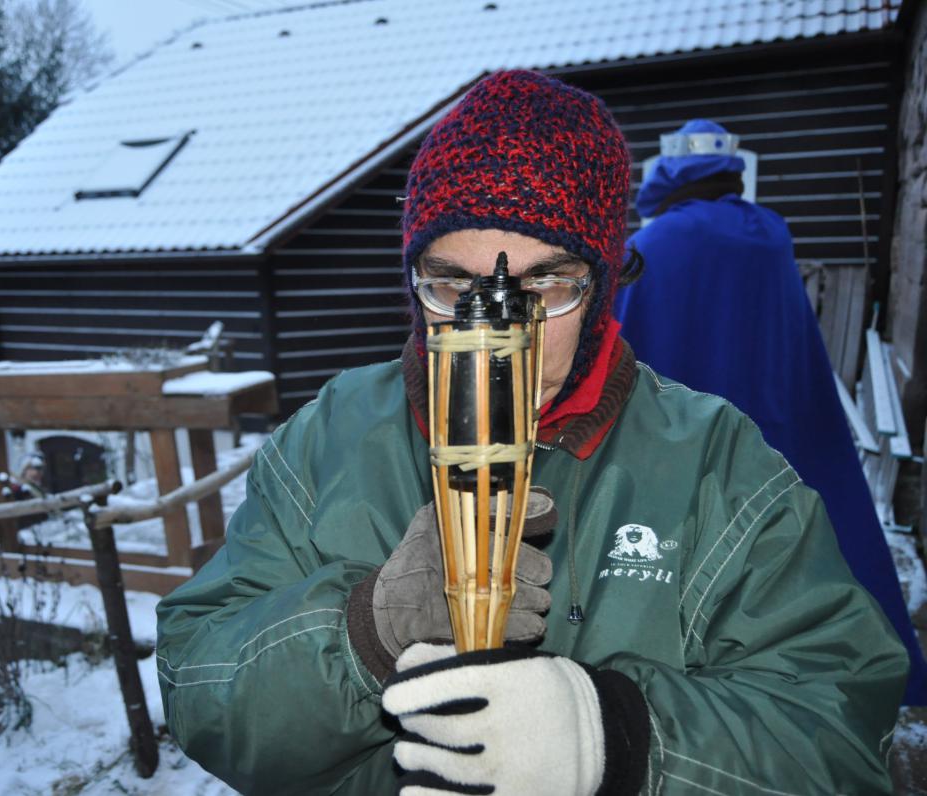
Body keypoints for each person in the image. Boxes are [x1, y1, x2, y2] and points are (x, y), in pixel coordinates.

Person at [156, 71, 908, 794]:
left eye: (544, 285)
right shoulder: (327, 438)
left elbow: (841, 735)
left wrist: (615, 739)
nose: (496, 333)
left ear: (605, 280)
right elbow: (200, 691)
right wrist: (362, 633)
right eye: (454, 285)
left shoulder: (718, 462)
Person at [614, 119, 926, 704]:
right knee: (799, 538)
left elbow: (629, 341)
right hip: (778, 412)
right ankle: (840, 659)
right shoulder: (769, 232)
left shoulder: (655, 245)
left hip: (691, 424)